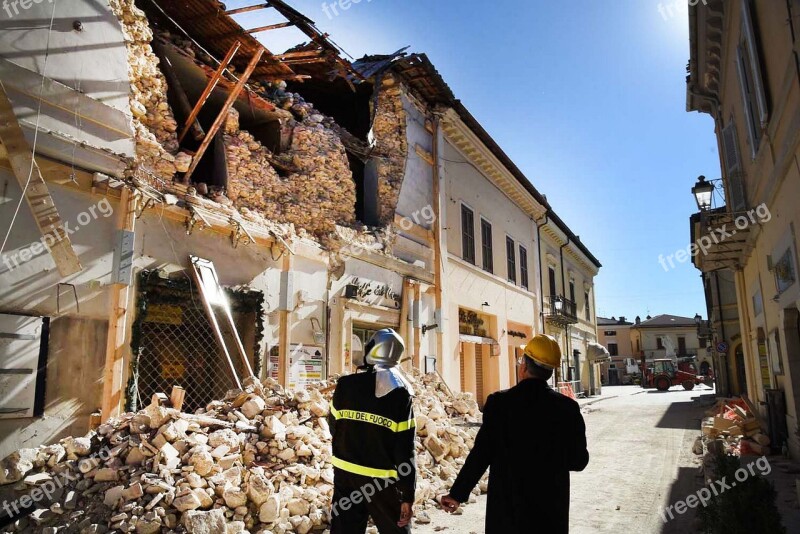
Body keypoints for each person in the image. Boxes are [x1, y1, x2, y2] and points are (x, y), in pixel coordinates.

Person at [440, 334, 589, 533]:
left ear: (524, 367)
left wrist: (457, 494)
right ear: (550, 372)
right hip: (550, 515)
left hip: (507, 514)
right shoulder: (567, 408)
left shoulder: (499, 403)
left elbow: (482, 454)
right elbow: (579, 461)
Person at [328, 329, 417, 533]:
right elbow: (405, 449)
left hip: (346, 476)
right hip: (382, 482)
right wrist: (407, 495)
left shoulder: (345, 385)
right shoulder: (401, 394)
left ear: (372, 350)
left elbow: (334, 426)